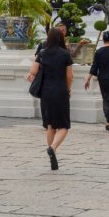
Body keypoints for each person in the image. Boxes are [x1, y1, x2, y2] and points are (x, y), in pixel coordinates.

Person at [27, 27, 73, 170]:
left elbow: (33, 71)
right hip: (60, 91)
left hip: (46, 93)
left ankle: (52, 151)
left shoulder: (42, 53)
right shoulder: (65, 54)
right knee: (64, 126)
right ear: (61, 38)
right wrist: (68, 89)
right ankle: (52, 148)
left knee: (50, 125)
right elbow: (69, 76)